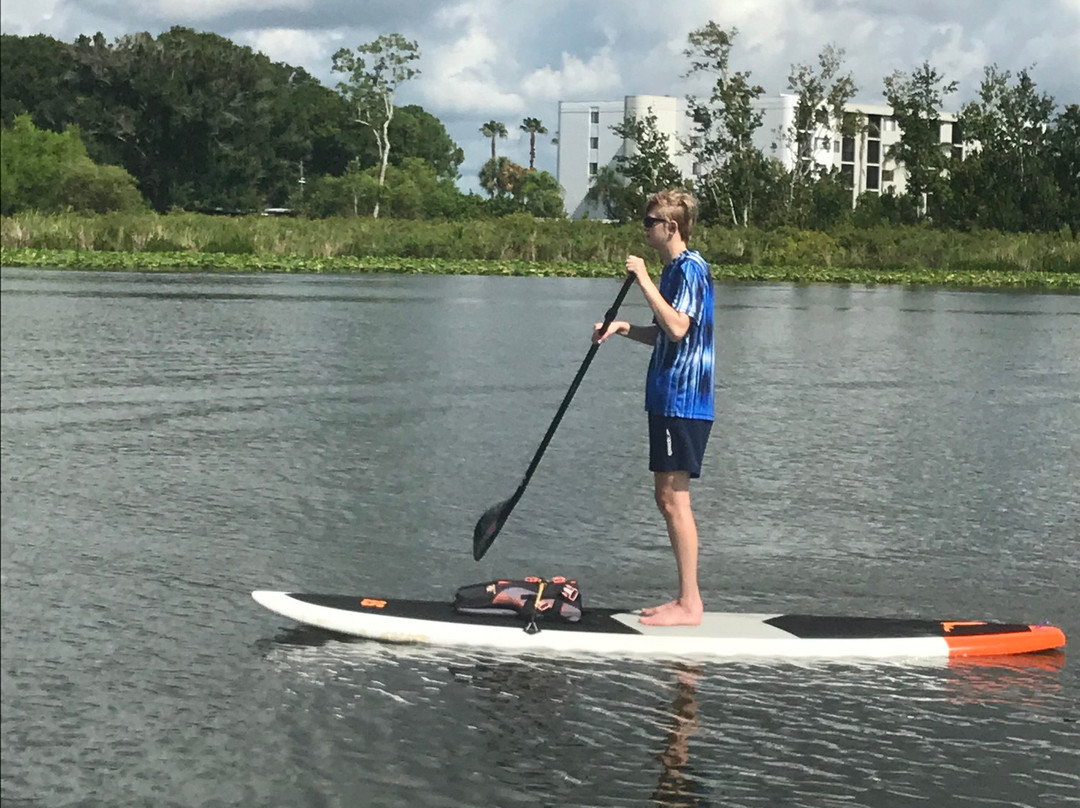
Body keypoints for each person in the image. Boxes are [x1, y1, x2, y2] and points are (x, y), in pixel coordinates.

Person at [593, 189, 714, 627]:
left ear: (671, 227)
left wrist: (642, 278)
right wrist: (624, 328)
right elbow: (665, 331)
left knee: (673, 498)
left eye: (649, 222)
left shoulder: (690, 270)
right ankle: (686, 600)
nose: (644, 228)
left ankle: (690, 604)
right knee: (665, 497)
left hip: (683, 399)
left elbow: (680, 328)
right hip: (668, 397)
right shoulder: (674, 273)